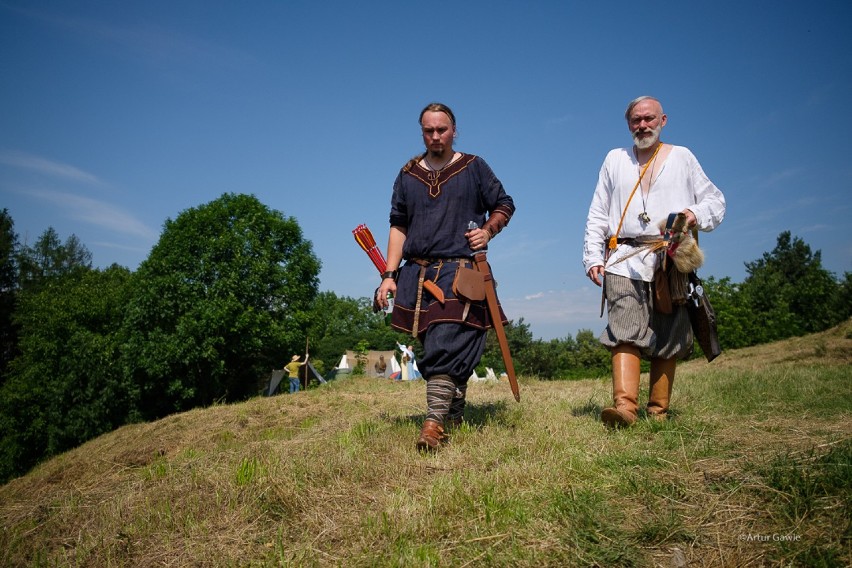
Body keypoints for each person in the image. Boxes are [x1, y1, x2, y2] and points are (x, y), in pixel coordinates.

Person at [377, 102, 515, 451]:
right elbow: (399, 225)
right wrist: (389, 274)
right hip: (418, 273)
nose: (435, 136)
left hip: (462, 269)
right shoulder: (408, 174)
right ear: (422, 131)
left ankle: (433, 424)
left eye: (442, 129)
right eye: (429, 130)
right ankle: (453, 413)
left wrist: (488, 231)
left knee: (446, 344)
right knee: (440, 345)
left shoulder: (473, 167)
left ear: (454, 130)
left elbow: (504, 204)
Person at [583, 96, 726, 428]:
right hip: (623, 259)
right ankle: (624, 409)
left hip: (671, 260)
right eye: (636, 120)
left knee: (669, 334)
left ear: (663, 120)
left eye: (649, 118)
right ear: (628, 124)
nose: (642, 125)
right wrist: (592, 256)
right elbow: (598, 213)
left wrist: (694, 213)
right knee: (623, 331)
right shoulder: (614, 159)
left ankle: (658, 412)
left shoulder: (683, 157)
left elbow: (716, 202)